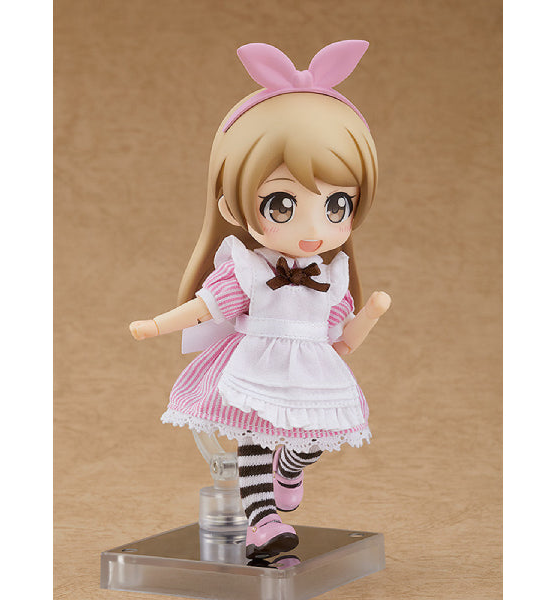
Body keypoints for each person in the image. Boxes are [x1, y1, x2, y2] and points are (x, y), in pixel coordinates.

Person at [129, 40, 391, 559]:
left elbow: (342, 340)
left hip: (312, 366)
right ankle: (262, 520)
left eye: (337, 204)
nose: (314, 228)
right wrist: (157, 325)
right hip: (254, 363)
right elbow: (209, 306)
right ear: (234, 205)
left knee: (313, 435)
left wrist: (371, 315)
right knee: (252, 435)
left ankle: (290, 466)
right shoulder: (249, 269)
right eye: (282, 203)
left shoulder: (331, 276)